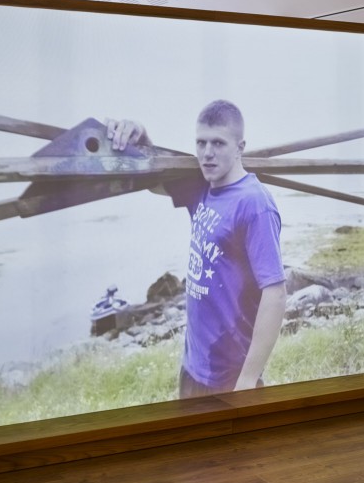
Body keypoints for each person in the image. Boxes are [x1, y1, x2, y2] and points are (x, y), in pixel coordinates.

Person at [106, 100, 286, 398]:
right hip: (194, 367)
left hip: (230, 375)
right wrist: (140, 138)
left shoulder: (254, 204)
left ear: (240, 146)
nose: (207, 153)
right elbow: (154, 182)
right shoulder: (202, 185)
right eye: (200, 143)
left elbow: (276, 294)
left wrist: (248, 381)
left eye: (218, 143)